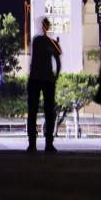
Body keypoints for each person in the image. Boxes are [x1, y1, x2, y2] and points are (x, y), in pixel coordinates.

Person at [27, 18, 61, 152]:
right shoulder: (47, 42)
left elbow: (57, 61)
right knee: (45, 112)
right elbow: (57, 61)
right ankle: (43, 144)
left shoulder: (38, 41)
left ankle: (37, 144)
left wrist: (55, 76)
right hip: (42, 79)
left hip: (39, 78)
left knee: (38, 111)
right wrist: (56, 76)